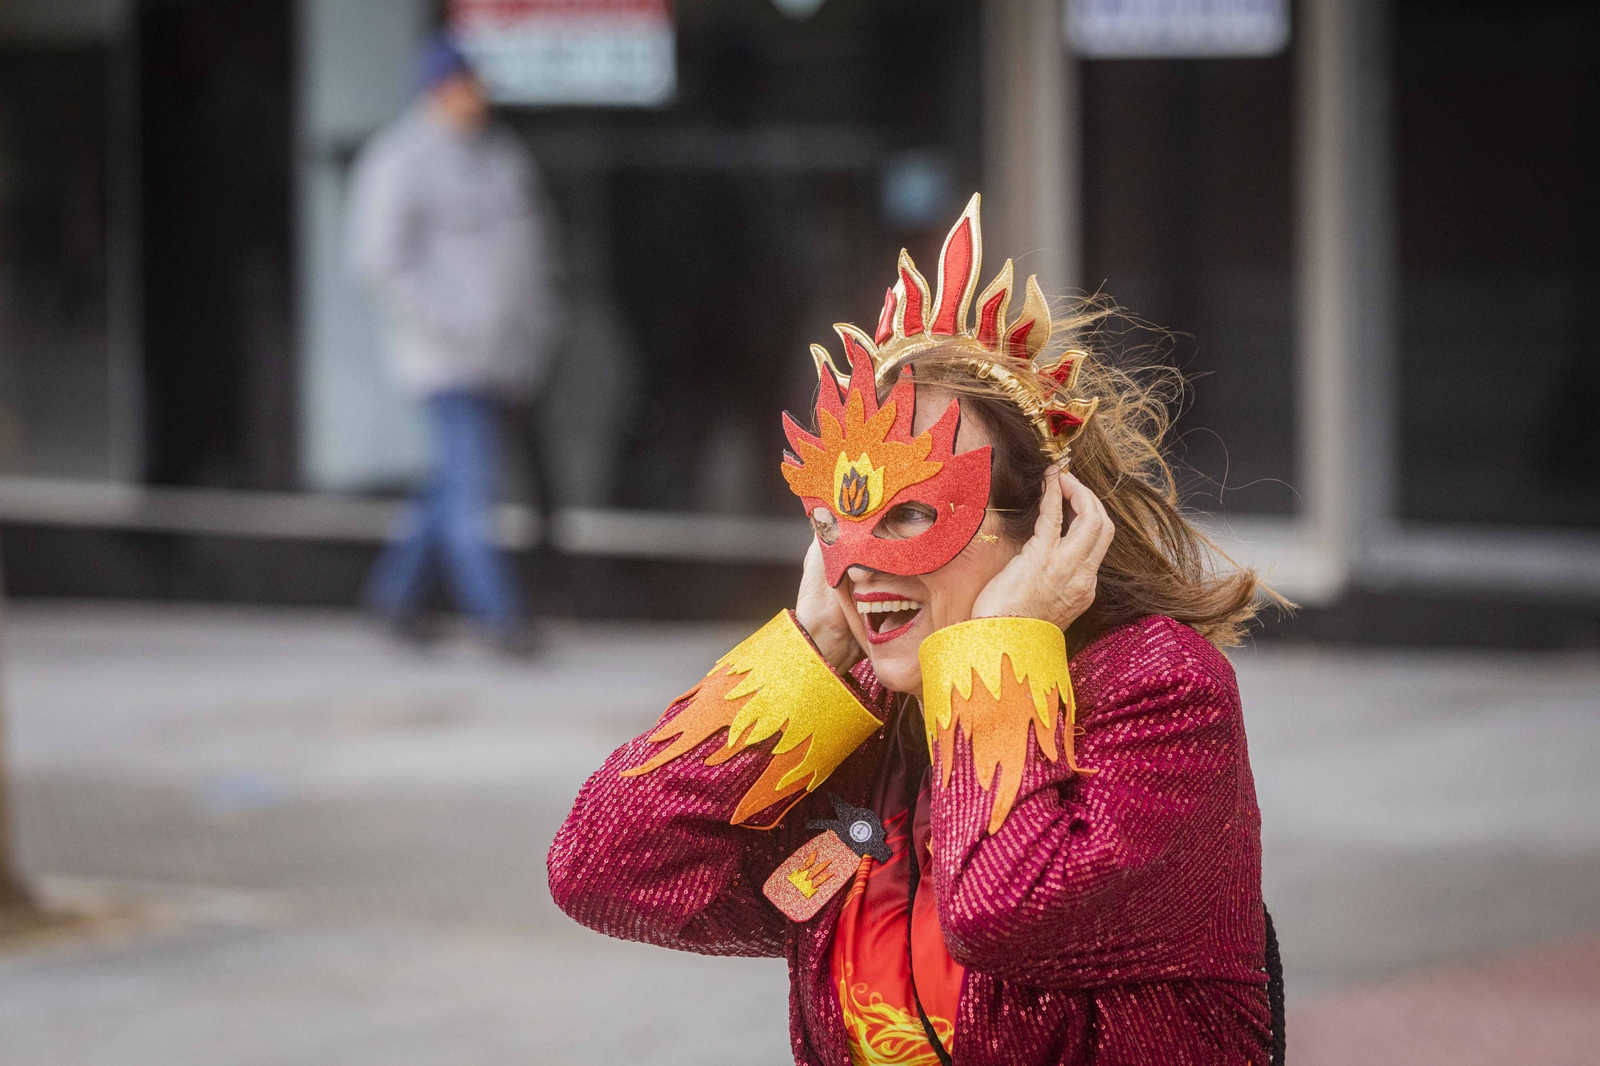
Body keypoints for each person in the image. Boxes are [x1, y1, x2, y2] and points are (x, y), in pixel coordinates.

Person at [548, 194, 1283, 1065]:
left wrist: (1002, 648)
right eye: (835, 522)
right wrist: (808, 652)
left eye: (910, 518)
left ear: (1045, 524)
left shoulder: (1160, 691)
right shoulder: (863, 720)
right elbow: (605, 869)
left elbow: (1002, 910)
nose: (857, 563)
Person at [349, 33, 558, 652]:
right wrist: (447, 324)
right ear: (440, 89)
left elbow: (532, 252)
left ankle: (392, 597)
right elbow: (376, 259)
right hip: (445, 359)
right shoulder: (401, 158)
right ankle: (500, 618)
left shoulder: (498, 154)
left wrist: (536, 330)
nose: (480, 95)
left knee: (450, 484)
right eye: (468, 84)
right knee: (471, 487)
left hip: (503, 357)